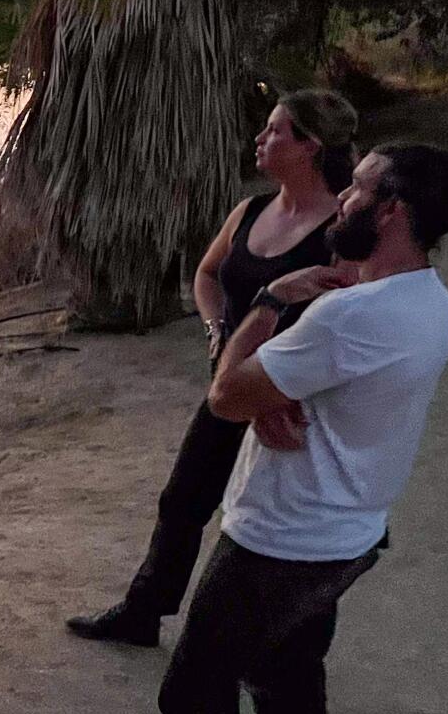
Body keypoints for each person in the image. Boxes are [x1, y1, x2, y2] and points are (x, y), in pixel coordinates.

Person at [103, 143, 448, 714]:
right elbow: (289, 393)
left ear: (392, 213)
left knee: (193, 696)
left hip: (283, 540)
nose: (342, 197)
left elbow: (225, 395)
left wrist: (273, 303)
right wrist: (282, 378)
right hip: (349, 533)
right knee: (288, 687)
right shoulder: (428, 302)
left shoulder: (351, 315)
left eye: (358, 189)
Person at [69, 90, 359, 647]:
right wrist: (216, 329)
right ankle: (143, 612)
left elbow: (347, 320)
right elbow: (206, 276)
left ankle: (279, 642)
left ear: (311, 147)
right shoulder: (250, 211)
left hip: (291, 400)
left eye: (276, 130)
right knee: (184, 500)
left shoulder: (341, 234)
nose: (261, 138)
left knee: (279, 522)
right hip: (229, 384)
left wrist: (286, 395)